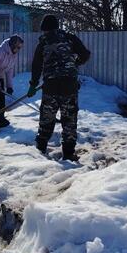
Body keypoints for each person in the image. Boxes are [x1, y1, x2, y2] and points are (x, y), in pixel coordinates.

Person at [27, 15, 90, 160]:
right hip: (69, 87)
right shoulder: (70, 38)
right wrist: (74, 63)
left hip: (50, 88)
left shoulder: (43, 42)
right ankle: (68, 154)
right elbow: (85, 54)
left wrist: (33, 84)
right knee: (69, 120)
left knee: (46, 119)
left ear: (45, 29)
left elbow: (36, 65)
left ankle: (40, 150)